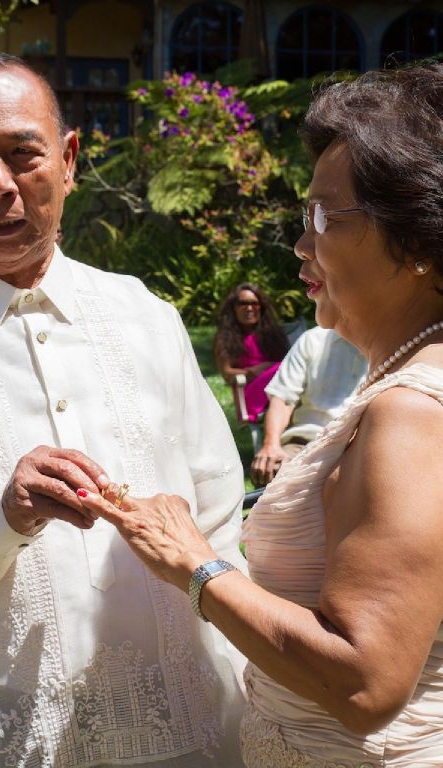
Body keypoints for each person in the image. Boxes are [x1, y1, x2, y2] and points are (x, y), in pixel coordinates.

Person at [77, 63, 443, 766]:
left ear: (420, 238)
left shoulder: (411, 411)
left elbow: (365, 682)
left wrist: (196, 565)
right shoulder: (405, 381)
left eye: (323, 219)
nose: (302, 245)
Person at [0, 52, 248, 767]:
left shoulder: (145, 315)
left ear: (69, 161)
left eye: (22, 154)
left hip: (193, 735)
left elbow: (221, 514)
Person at [250, 326, 367, 486]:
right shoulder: (313, 339)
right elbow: (283, 398)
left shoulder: (393, 346)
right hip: (304, 443)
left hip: (359, 450)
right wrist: (271, 445)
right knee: (271, 468)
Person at [214, 283, 289, 423]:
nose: (249, 308)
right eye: (243, 303)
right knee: (285, 367)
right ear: (233, 308)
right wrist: (255, 371)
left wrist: (269, 368)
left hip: (279, 386)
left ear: (261, 306)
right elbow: (226, 373)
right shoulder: (225, 337)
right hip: (250, 395)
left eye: (254, 303)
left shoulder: (272, 334)